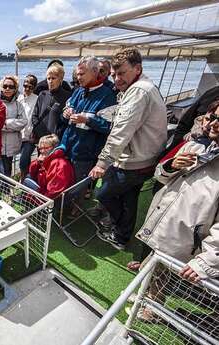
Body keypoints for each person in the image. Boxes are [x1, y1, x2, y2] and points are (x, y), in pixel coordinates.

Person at [89, 48, 167, 250]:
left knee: (103, 194)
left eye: (122, 73)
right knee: (129, 197)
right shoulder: (145, 87)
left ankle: (117, 226)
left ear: (137, 68)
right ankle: (121, 236)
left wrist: (102, 162)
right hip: (146, 158)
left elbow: (121, 131)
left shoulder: (138, 91)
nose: (116, 79)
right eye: (114, 75)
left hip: (133, 161)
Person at [136, 109, 219, 281]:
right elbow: (160, 175)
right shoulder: (194, 147)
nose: (212, 124)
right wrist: (171, 166)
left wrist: (206, 262)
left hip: (183, 244)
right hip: (164, 229)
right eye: (213, 117)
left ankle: (148, 305)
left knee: (160, 280)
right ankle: (143, 299)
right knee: (150, 272)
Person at [60, 56, 117, 197]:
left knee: (77, 190)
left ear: (94, 72)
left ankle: (75, 211)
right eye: (77, 74)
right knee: (64, 184)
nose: (78, 77)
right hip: (67, 148)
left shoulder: (107, 96)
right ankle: (64, 208)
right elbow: (65, 112)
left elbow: (109, 127)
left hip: (85, 155)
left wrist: (87, 120)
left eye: (82, 74)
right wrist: (66, 113)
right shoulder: (78, 91)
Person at [31, 63, 72, 147]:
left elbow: (67, 121)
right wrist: (40, 134)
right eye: (48, 78)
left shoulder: (68, 96)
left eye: (53, 78)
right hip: (42, 141)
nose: (50, 81)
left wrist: (55, 136)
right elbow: (34, 116)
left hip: (57, 142)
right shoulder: (42, 95)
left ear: (61, 79)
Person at [23, 134, 75, 200]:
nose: (42, 151)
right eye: (40, 148)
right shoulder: (49, 159)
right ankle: (25, 198)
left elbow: (55, 190)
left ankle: (27, 200)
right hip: (45, 189)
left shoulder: (59, 163)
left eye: (46, 148)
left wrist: (41, 202)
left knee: (27, 180)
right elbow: (32, 173)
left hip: (51, 199)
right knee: (28, 177)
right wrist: (37, 162)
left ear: (54, 147)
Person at [0, 75, 27, 177]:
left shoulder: (18, 105)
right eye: (5, 86)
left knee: (7, 171)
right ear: (1, 87)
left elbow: (24, 122)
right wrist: (11, 126)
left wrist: (6, 123)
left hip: (11, 145)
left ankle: (6, 192)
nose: (7, 89)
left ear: (15, 89)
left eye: (11, 87)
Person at [18, 74, 39, 181]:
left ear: (34, 87)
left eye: (30, 87)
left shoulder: (37, 99)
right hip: (17, 136)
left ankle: (23, 181)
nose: (27, 89)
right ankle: (28, 178)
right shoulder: (19, 98)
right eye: (25, 86)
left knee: (23, 160)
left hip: (30, 137)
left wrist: (35, 133)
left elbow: (38, 119)